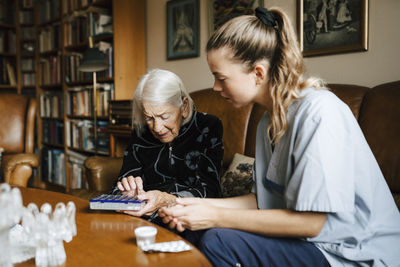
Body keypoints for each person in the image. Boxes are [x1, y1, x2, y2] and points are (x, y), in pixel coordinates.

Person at [159, 7, 400, 267]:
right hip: (311, 245)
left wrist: (214, 216)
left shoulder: (320, 113)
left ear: (258, 73)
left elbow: (313, 223)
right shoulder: (268, 122)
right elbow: (261, 202)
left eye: (221, 78)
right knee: (192, 229)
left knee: (217, 239)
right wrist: (189, 206)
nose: (216, 87)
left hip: (354, 254)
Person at [112, 69, 223, 226]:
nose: (157, 128)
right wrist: (127, 193)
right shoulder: (141, 132)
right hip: (143, 217)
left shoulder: (208, 126)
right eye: (149, 118)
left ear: (184, 106)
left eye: (165, 117)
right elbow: (119, 184)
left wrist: (167, 200)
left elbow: (211, 192)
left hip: (186, 216)